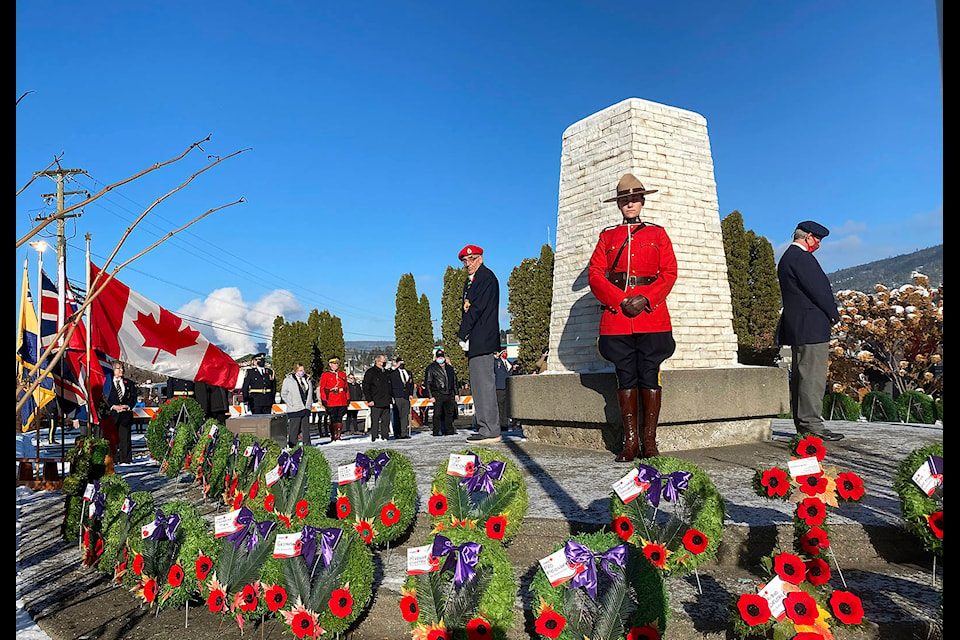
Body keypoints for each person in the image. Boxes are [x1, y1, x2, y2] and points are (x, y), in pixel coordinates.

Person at [588, 174, 678, 462]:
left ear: (642, 201)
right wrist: (620, 299)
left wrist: (647, 298)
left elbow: (669, 273)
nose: (629, 204)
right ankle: (630, 443)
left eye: (634, 199)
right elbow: (595, 274)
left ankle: (649, 442)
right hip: (617, 316)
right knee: (625, 376)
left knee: (649, 374)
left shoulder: (657, 234)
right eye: (624, 200)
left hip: (651, 315)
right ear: (618, 204)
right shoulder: (608, 236)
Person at [776, 221, 844, 441]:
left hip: (799, 326)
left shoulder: (788, 257)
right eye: (818, 240)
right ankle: (811, 425)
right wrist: (834, 314)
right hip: (811, 326)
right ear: (807, 237)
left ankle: (805, 424)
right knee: (811, 378)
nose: (819, 245)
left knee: (802, 376)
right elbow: (819, 290)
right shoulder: (801, 258)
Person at [457, 244, 503, 444]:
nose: (468, 264)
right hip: (476, 339)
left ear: (481, 259)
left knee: (484, 385)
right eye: (465, 261)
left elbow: (476, 309)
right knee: (478, 385)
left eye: (471, 259)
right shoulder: (473, 281)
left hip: (482, 337)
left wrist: (463, 332)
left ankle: (490, 429)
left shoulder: (485, 278)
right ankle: (485, 426)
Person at [107, 361, 137, 464]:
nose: (121, 370)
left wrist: (128, 406)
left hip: (125, 415)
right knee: (112, 440)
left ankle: (126, 459)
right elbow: (104, 397)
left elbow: (133, 397)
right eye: (118, 369)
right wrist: (113, 406)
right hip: (112, 415)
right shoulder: (107, 383)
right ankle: (114, 459)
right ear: (113, 370)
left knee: (125, 439)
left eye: (122, 368)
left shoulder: (129, 383)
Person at [424, 349, 459, 436]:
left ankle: (449, 430)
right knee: (437, 414)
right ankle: (436, 431)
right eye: (439, 357)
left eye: (442, 357)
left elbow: (454, 381)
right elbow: (428, 382)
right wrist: (430, 396)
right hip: (438, 394)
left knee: (449, 414)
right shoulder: (431, 368)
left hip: (449, 394)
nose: (440, 358)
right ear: (436, 358)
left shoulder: (450, 368)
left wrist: (456, 393)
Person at [280, 363, 314, 448]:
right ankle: (292, 446)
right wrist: (290, 402)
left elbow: (309, 392)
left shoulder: (307, 379)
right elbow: (284, 393)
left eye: (303, 370)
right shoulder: (289, 380)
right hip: (295, 408)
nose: (302, 372)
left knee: (305, 429)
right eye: (300, 370)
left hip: (305, 407)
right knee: (294, 429)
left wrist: (309, 403)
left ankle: (307, 446)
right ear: (295, 370)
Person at [362, 354, 393, 442]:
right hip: (375, 401)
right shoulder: (371, 372)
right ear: (377, 361)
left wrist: (391, 398)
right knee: (375, 421)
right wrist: (369, 399)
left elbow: (390, 387)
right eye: (383, 361)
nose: (384, 363)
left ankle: (385, 436)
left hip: (386, 401)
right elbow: (366, 387)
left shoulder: (386, 373)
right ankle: (374, 437)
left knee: (386, 421)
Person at [319, 356, 349, 441]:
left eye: (337, 363)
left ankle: (338, 435)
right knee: (333, 418)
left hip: (341, 399)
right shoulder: (326, 375)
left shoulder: (342, 374)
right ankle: (333, 435)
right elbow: (323, 388)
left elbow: (346, 387)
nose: (336, 365)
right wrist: (324, 399)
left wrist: (347, 398)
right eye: (334, 363)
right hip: (332, 399)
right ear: (330, 364)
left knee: (340, 418)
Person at [390, 356, 414, 439]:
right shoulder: (393, 373)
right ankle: (397, 433)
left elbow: (411, 385)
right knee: (397, 416)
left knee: (405, 416)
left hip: (406, 397)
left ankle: (404, 433)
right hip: (397, 396)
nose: (402, 364)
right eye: (400, 363)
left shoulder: (408, 373)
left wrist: (410, 394)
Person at [494, 349, 512, 431]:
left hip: (507, 387)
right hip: (499, 387)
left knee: (505, 408)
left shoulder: (508, 363)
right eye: (503, 352)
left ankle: (504, 425)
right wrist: (496, 357)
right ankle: (499, 425)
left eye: (506, 352)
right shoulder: (497, 362)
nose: (505, 353)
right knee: (499, 407)